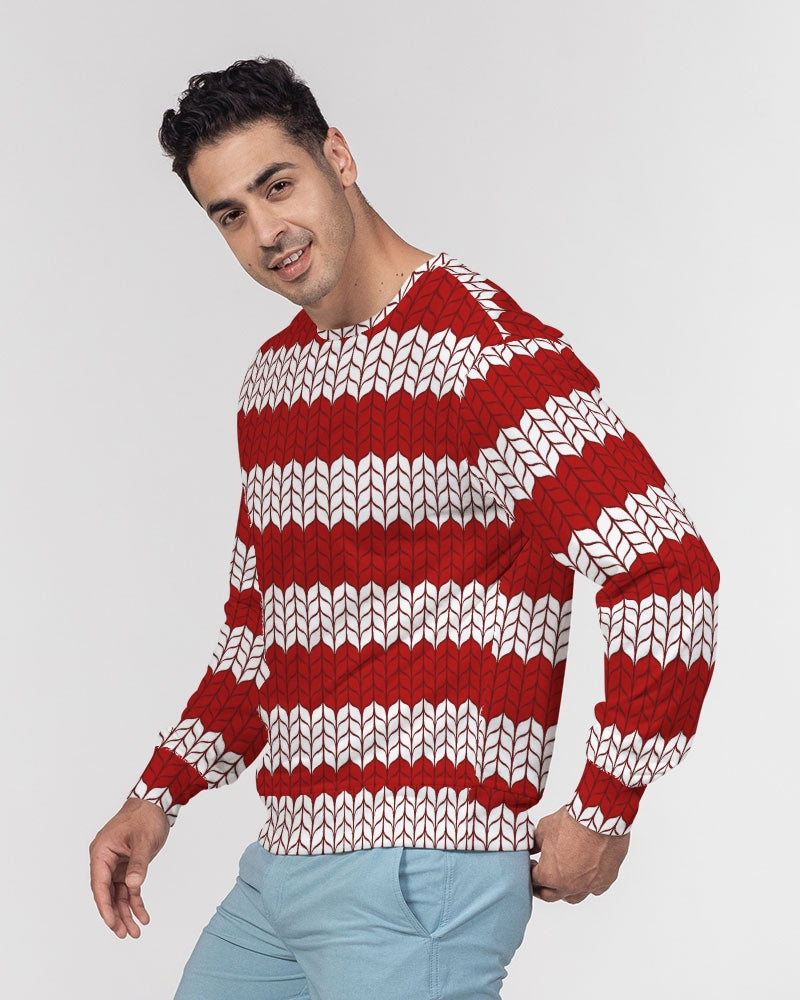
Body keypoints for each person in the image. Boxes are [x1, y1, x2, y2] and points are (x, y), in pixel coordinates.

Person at [89, 57, 720, 1000]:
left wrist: (606, 804)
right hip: (283, 866)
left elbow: (666, 571)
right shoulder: (274, 383)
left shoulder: (481, 354)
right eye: (229, 214)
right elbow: (261, 637)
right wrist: (157, 796)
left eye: (277, 185)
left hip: (422, 871)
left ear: (338, 157)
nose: (265, 232)